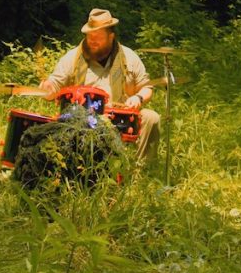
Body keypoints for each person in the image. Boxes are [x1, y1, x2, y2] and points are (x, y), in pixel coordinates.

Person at [39, 8, 160, 162]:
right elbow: (54, 84)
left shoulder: (128, 57)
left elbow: (146, 87)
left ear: (111, 36)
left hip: (120, 119)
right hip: (82, 120)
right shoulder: (73, 58)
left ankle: (140, 171)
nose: (92, 41)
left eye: (98, 37)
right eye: (90, 36)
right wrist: (48, 88)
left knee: (151, 117)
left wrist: (138, 97)